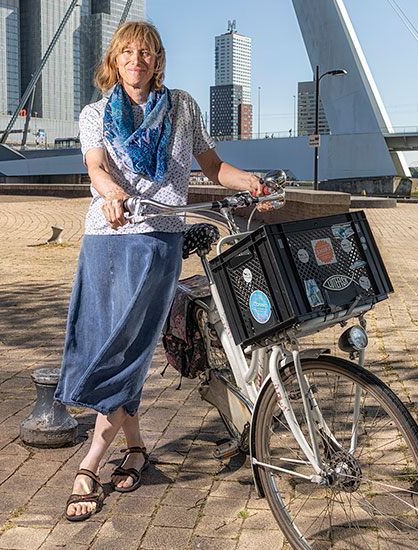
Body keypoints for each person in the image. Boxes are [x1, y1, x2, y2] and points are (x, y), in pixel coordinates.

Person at [57, 21, 267, 522]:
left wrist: (251, 181)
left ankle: (90, 461)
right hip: (105, 239)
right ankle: (135, 447)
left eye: (145, 53)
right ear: (115, 60)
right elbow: (96, 167)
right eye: (127, 52)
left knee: (128, 349)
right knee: (104, 341)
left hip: (157, 239)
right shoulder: (94, 114)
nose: (136, 60)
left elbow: (213, 167)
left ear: (157, 60)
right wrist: (110, 193)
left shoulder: (184, 107)